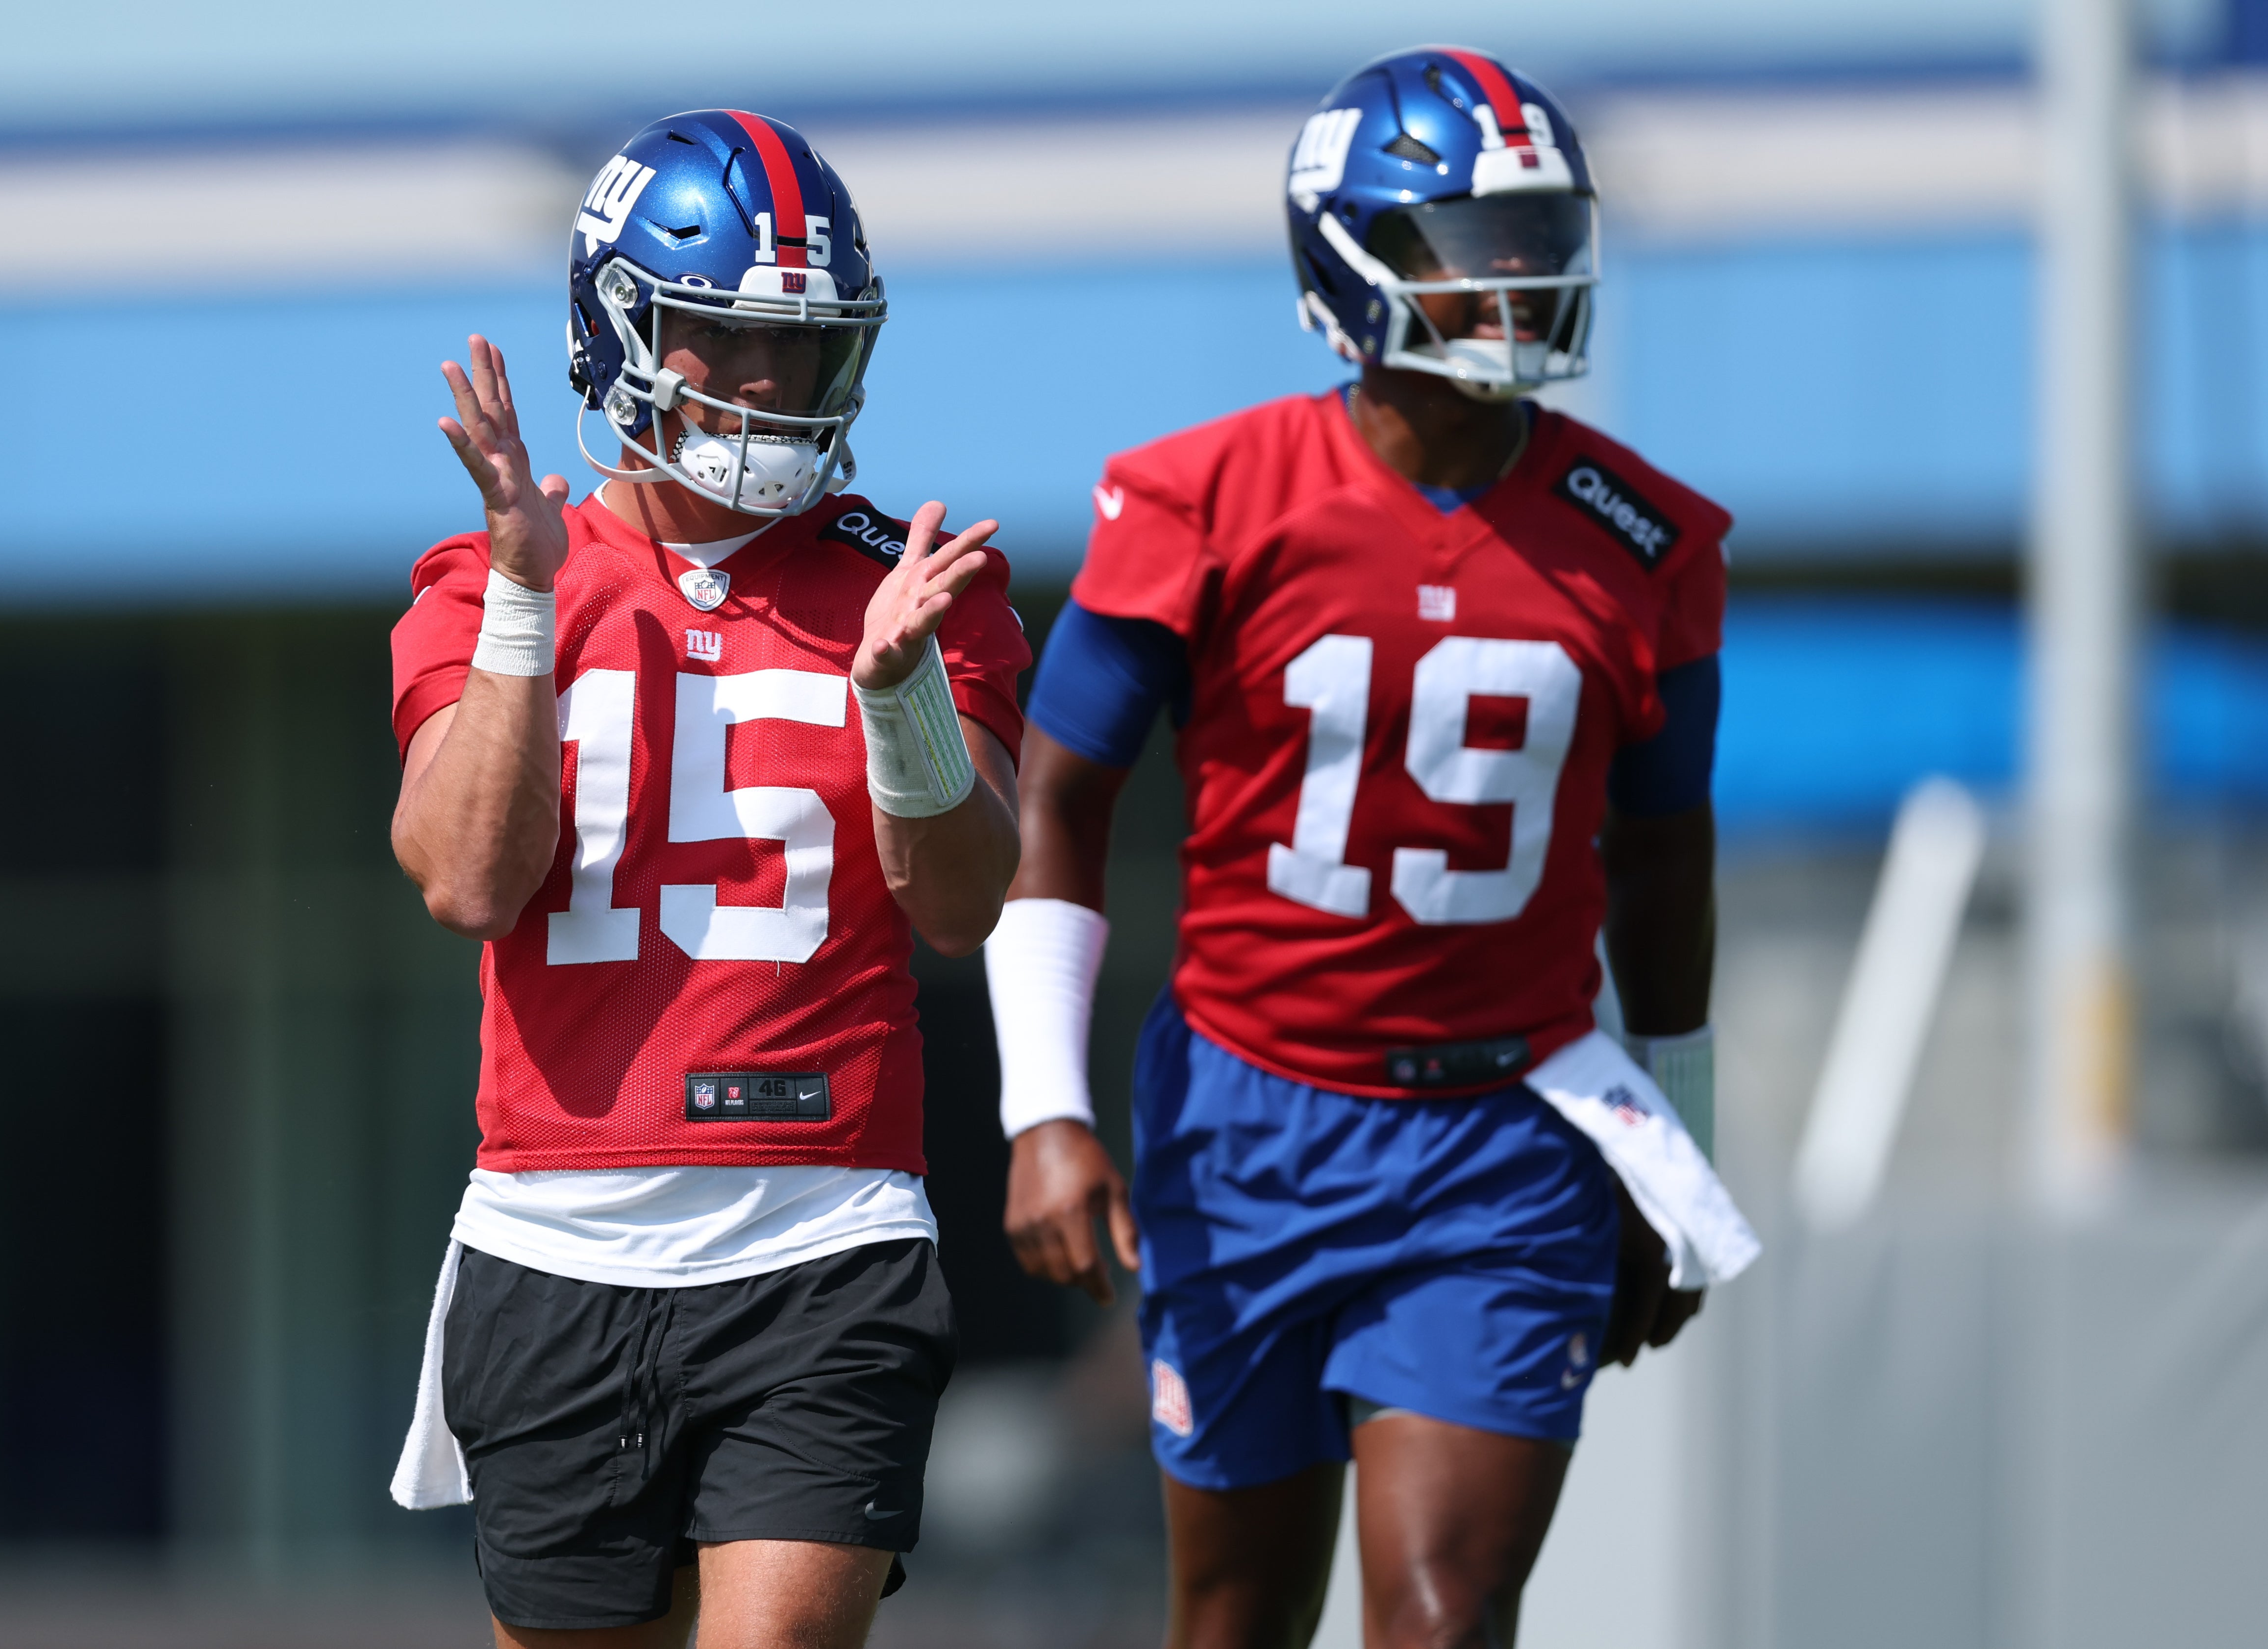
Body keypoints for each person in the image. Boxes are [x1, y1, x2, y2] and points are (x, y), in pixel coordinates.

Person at [981, 48, 1757, 1649]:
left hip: (1504, 1134)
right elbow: (1058, 800)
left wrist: (1669, 1142)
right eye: (1469, 241)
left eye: (1535, 231)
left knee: (1440, 1611)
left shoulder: (1644, 536)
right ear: (1350, 260)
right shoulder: (1201, 499)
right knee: (1236, 1619)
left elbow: (1665, 853)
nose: (1515, 277)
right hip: (1244, 1122)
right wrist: (1042, 1108)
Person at [385, 109, 1029, 1649]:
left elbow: (961, 905)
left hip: (826, 1233)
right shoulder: (482, 581)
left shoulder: (923, 585)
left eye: (797, 351)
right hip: (558, 1232)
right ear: (621, 327)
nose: (763, 386)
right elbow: (470, 883)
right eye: (724, 339)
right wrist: (532, 601)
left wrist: (901, 702)